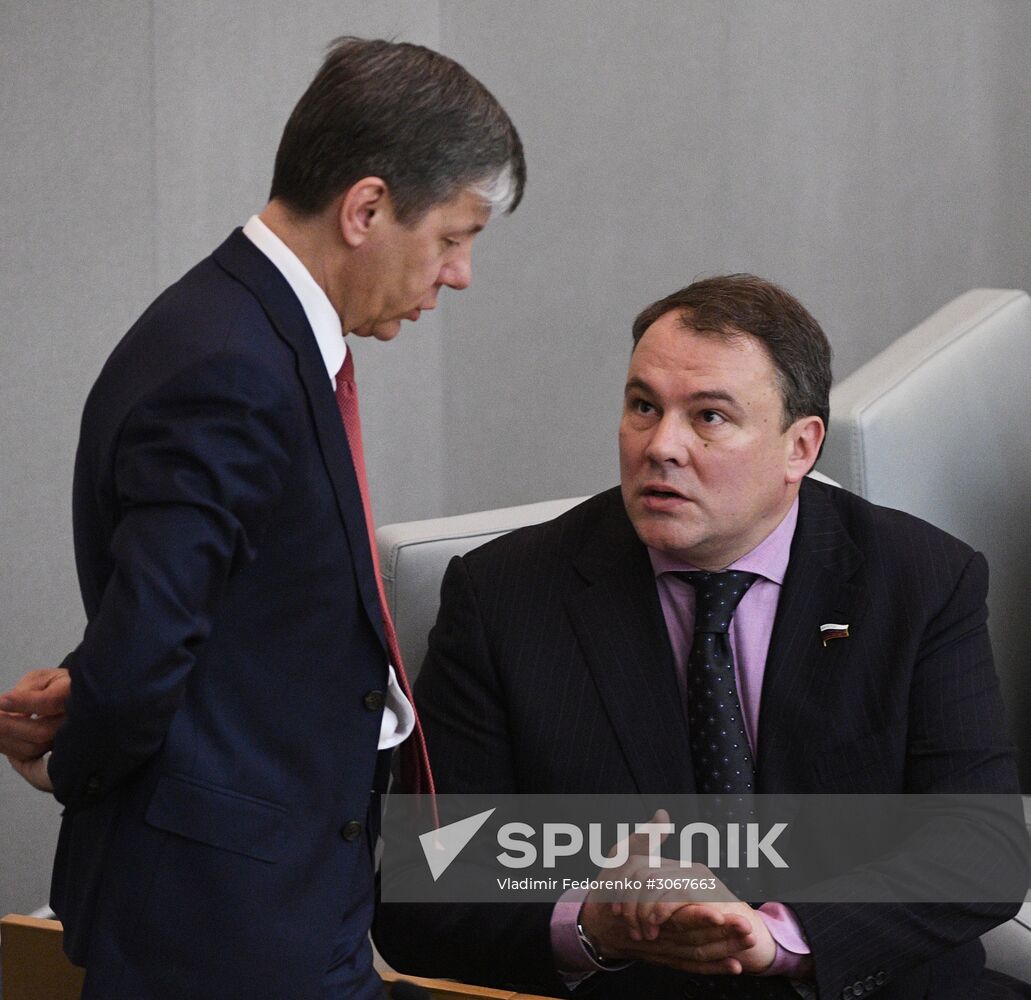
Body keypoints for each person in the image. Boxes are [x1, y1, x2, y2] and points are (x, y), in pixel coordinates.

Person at [0, 36, 524, 1000]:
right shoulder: (232, 367)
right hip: (223, 933)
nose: (458, 275)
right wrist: (71, 753)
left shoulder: (245, 332)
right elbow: (148, 642)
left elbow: (216, 614)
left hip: (279, 908)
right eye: (453, 238)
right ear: (365, 209)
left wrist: (86, 695)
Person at [373, 275, 1029, 998]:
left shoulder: (918, 580)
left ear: (799, 447)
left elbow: (980, 849)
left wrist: (781, 937)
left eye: (709, 417)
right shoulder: (505, 597)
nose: (661, 446)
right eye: (642, 407)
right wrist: (590, 923)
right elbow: (423, 889)